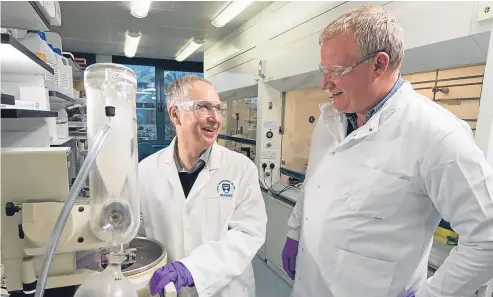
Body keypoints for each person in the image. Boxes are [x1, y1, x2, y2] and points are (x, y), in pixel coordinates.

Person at [281, 5, 493, 297]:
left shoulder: (437, 134)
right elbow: (313, 185)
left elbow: (487, 237)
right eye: (324, 70)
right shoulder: (330, 119)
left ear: (379, 64)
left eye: (335, 71)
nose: (324, 83)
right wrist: (295, 231)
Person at [139, 75, 267, 297]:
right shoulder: (146, 171)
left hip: (226, 290)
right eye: (204, 108)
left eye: (218, 109)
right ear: (175, 114)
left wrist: (193, 269)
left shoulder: (241, 169)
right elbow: (138, 236)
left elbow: (248, 234)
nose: (215, 118)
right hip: (167, 291)